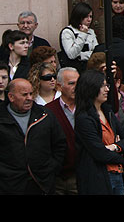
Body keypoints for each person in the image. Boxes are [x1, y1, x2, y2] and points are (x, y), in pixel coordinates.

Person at [0, 78, 67, 194]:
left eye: (31, 94)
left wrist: (51, 168)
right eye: (24, 95)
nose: (29, 98)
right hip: (9, 185)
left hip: (42, 184)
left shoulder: (45, 115)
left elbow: (60, 144)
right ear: (11, 97)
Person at [74, 69, 124, 195]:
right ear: (91, 88)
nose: (107, 89)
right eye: (102, 86)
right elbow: (99, 153)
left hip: (118, 173)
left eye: (107, 85)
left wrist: (114, 147)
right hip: (99, 176)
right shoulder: (84, 118)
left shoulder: (108, 112)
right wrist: (121, 156)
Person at [45, 66, 80, 194]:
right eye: (71, 83)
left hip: (83, 172)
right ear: (59, 86)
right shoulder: (49, 111)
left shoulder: (87, 107)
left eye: (78, 83)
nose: (76, 87)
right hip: (60, 176)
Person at [59, 2, 98, 72]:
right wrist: (83, 34)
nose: (89, 20)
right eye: (86, 16)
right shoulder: (67, 32)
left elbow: (96, 53)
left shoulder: (91, 32)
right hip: (73, 70)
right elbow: (72, 54)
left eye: (91, 16)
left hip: (89, 69)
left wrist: (81, 56)